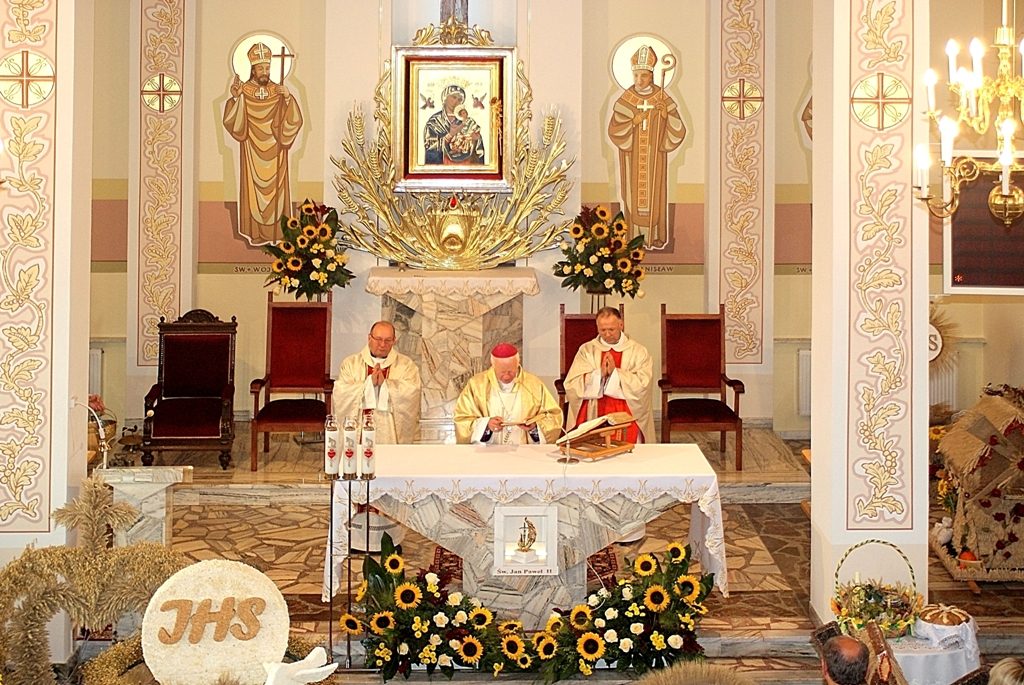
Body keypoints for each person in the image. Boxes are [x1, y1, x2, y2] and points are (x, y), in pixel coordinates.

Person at [223, 42, 304, 245]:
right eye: (261, 68)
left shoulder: (279, 91)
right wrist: (236, 99)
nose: (265, 72)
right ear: (253, 69)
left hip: (276, 151)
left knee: (278, 192)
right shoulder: (244, 91)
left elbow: (294, 120)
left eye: (267, 67)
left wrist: (288, 99)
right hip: (251, 151)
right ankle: (256, 232)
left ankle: (277, 233)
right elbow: (233, 122)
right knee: (252, 191)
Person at [608, 44, 685, 248]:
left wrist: (665, 114)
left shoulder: (662, 97)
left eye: (643, 76)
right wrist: (634, 121)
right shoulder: (627, 99)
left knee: (654, 195)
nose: (639, 80)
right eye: (636, 76)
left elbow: (678, 129)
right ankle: (633, 236)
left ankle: (653, 236)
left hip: (654, 157)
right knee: (633, 196)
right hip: (632, 158)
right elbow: (615, 129)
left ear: (651, 76)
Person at [564, 306, 654, 443]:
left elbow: (643, 384)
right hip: (593, 410)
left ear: (621, 325)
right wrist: (599, 374)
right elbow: (572, 384)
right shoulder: (587, 350)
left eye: (611, 329)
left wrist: (615, 374)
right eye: (602, 330)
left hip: (627, 409)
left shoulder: (638, 351)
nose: (607, 334)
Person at [453, 343, 562, 444]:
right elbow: (462, 421)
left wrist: (534, 428)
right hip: (487, 453)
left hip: (524, 453)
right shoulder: (477, 385)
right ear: (493, 366)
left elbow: (554, 416)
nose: (506, 376)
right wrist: (486, 426)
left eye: (510, 371)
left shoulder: (533, 384)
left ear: (517, 364)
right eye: (502, 372)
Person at [333, 321, 421, 444]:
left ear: (394, 340)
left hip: (390, 436)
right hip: (360, 434)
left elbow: (412, 393)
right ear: (369, 338)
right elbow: (341, 393)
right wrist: (369, 384)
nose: (382, 344)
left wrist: (386, 385)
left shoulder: (406, 365)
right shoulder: (351, 363)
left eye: (388, 340)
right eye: (378, 339)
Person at [423, 84, 485, 165]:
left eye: (459, 99)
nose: (456, 101)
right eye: (454, 97)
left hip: (466, 165)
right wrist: (450, 135)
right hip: (442, 166)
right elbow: (429, 146)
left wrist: (475, 140)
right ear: (445, 98)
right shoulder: (435, 121)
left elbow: (479, 150)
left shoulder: (468, 122)